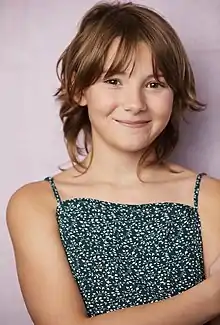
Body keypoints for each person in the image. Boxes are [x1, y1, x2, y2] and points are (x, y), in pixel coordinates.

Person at [6, 2, 220, 325]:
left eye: (154, 84)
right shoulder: (36, 204)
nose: (135, 104)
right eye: (114, 81)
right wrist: (210, 297)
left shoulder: (209, 198)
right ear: (79, 89)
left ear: (174, 93)